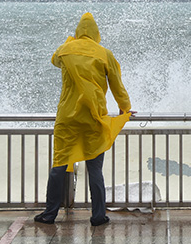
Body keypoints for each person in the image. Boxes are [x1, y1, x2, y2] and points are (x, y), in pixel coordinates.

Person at [34, 12, 134, 226]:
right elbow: (117, 86)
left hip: (67, 118)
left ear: (78, 32)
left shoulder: (64, 50)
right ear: (96, 33)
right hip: (94, 117)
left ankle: (50, 214)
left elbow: (54, 61)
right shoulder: (104, 53)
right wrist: (125, 109)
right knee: (95, 169)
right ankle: (98, 216)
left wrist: (71, 42)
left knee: (59, 165)